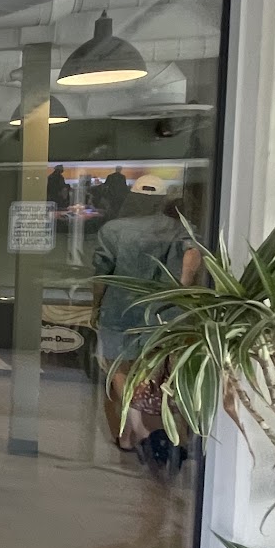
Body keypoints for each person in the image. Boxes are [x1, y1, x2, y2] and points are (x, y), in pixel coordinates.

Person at [91, 179, 201, 450]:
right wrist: (179, 291)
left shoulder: (113, 229)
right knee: (151, 369)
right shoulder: (180, 228)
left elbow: (102, 274)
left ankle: (136, 431)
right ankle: (130, 435)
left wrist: (96, 305)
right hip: (163, 312)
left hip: (119, 309)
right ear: (162, 200)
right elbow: (192, 256)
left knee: (118, 368)